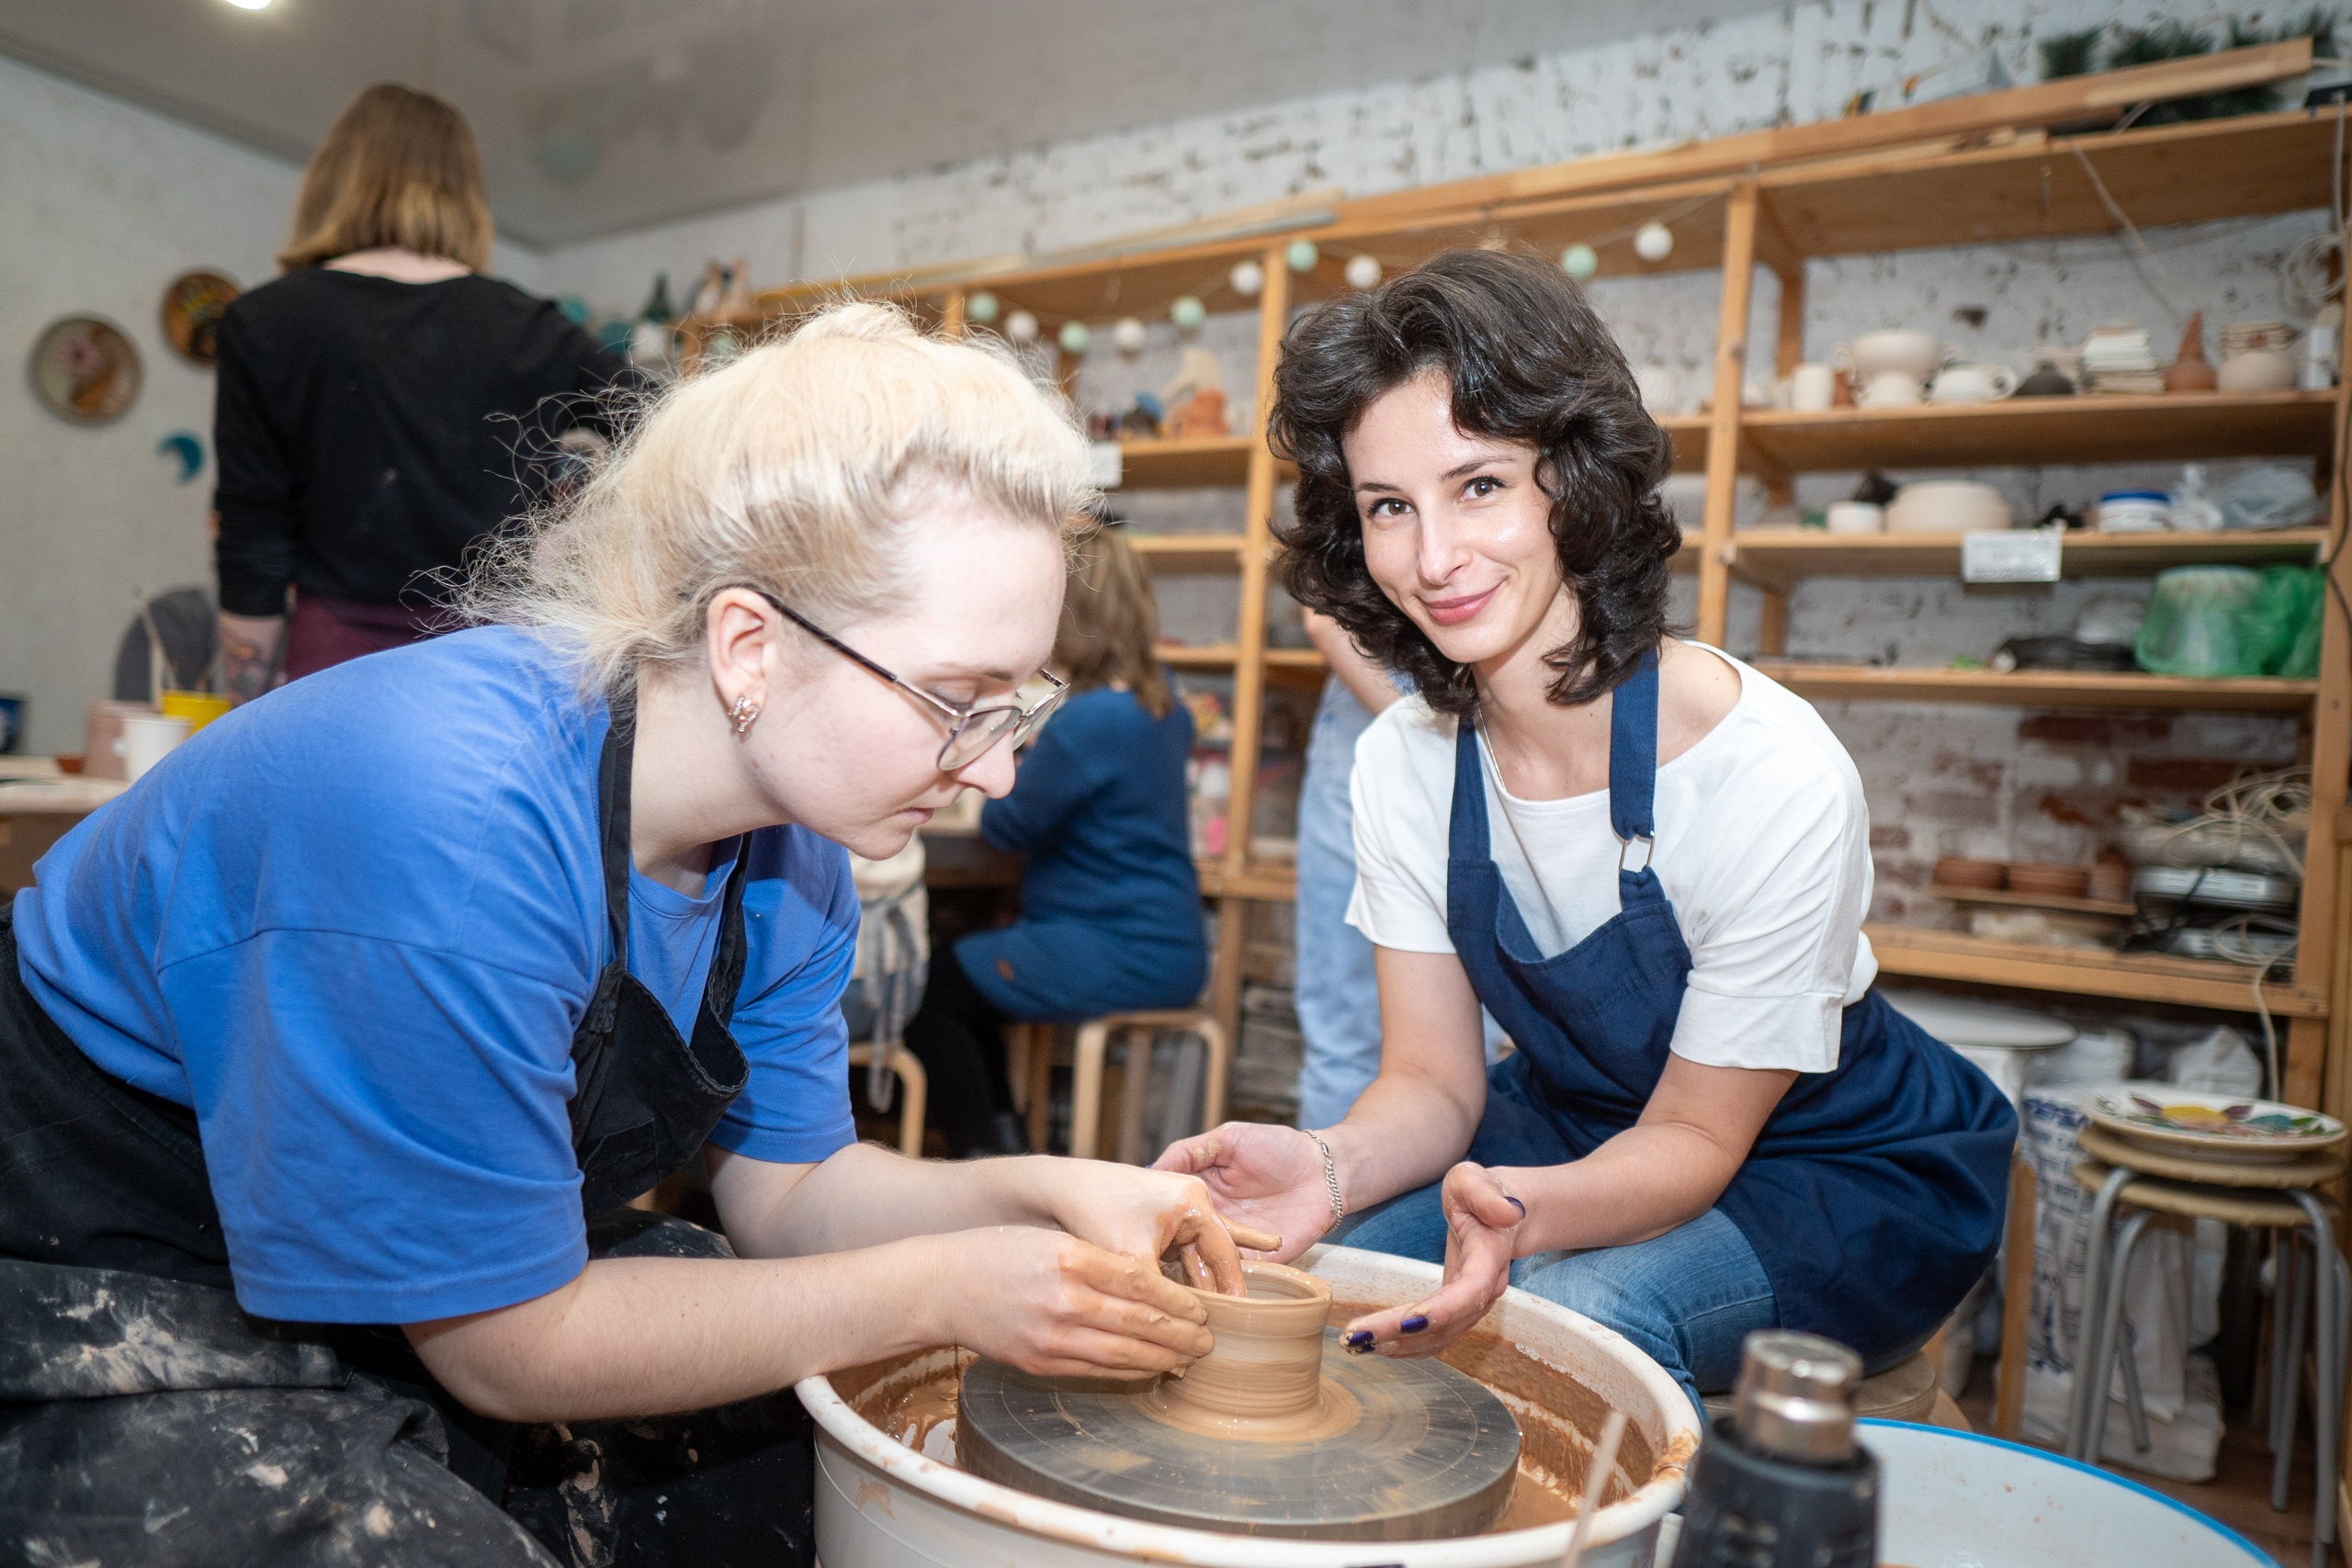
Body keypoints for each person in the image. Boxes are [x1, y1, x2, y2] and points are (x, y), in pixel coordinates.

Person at [1, 304, 1267, 1568]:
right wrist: (944, 1285)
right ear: (749, 644)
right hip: (107, 1250)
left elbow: (795, 1197)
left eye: (1018, 705)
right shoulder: (440, 813)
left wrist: (1042, 1198)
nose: (995, 775)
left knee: (803, 1467)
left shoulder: (798, 852)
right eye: (958, 701)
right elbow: (510, 1343)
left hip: (437, 1267)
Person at [1157, 249, 2016, 1416]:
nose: (1434, 558)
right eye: (1389, 508)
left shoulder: (1768, 771)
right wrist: (1325, 1166)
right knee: (1315, 1272)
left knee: (1581, 1325)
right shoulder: (1405, 761)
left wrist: (1521, 1227)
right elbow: (1427, 1081)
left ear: (1572, 480)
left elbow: (1695, 1145)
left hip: (1830, 1167)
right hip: (1570, 1127)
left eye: (1479, 486)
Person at [213, 84, 637, 705]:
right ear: (464, 195)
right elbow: (672, 427)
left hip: (334, 668)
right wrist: (572, 540)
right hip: (487, 670)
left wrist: (241, 705)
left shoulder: (267, 321)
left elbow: (254, 538)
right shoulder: (529, 326)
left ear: (336, 180)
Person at [902, 526, 1207, 1156]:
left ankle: (986, 1158)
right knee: (964, 981)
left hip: (1112, 946)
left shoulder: (1088, 720)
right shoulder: (1164, 704)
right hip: (1168, 946)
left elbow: (1003, 826)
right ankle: (1002, 1148)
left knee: (933, 992)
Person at [1291, 611, 1401, 1128]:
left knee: (1345, 1034)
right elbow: (1323, 617)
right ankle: (1331, 1207)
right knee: (1348, 1032)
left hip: (1400, 696)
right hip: (1381, 695)